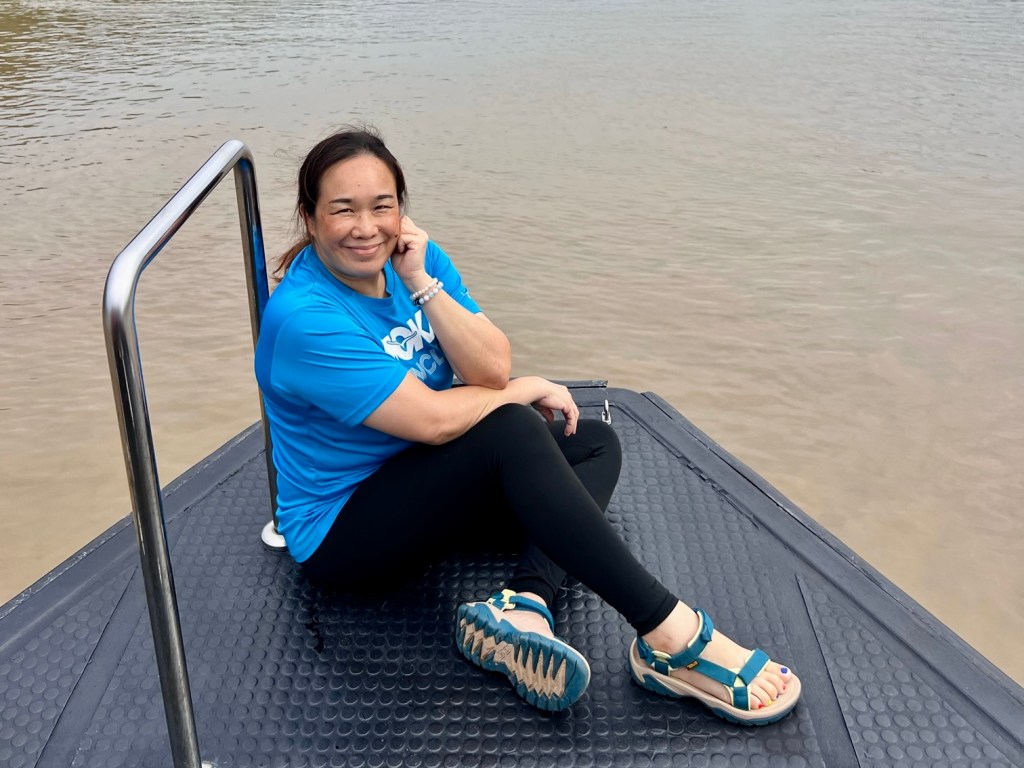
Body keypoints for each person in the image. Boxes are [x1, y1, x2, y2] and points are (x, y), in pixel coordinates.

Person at [254, 127, 801, 722]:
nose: (366, 227)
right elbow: (437, 421)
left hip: (423, 483)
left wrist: (421, 284)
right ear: (310, 218)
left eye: (381, 206)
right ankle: (669, 636)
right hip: (345, 531)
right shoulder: (305, 318)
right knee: (513, 427)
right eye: (343, 210)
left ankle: (524, 606)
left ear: (401, 210)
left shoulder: (415, 261)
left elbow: (490, 368)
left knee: (592, 442)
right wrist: (525, 389)